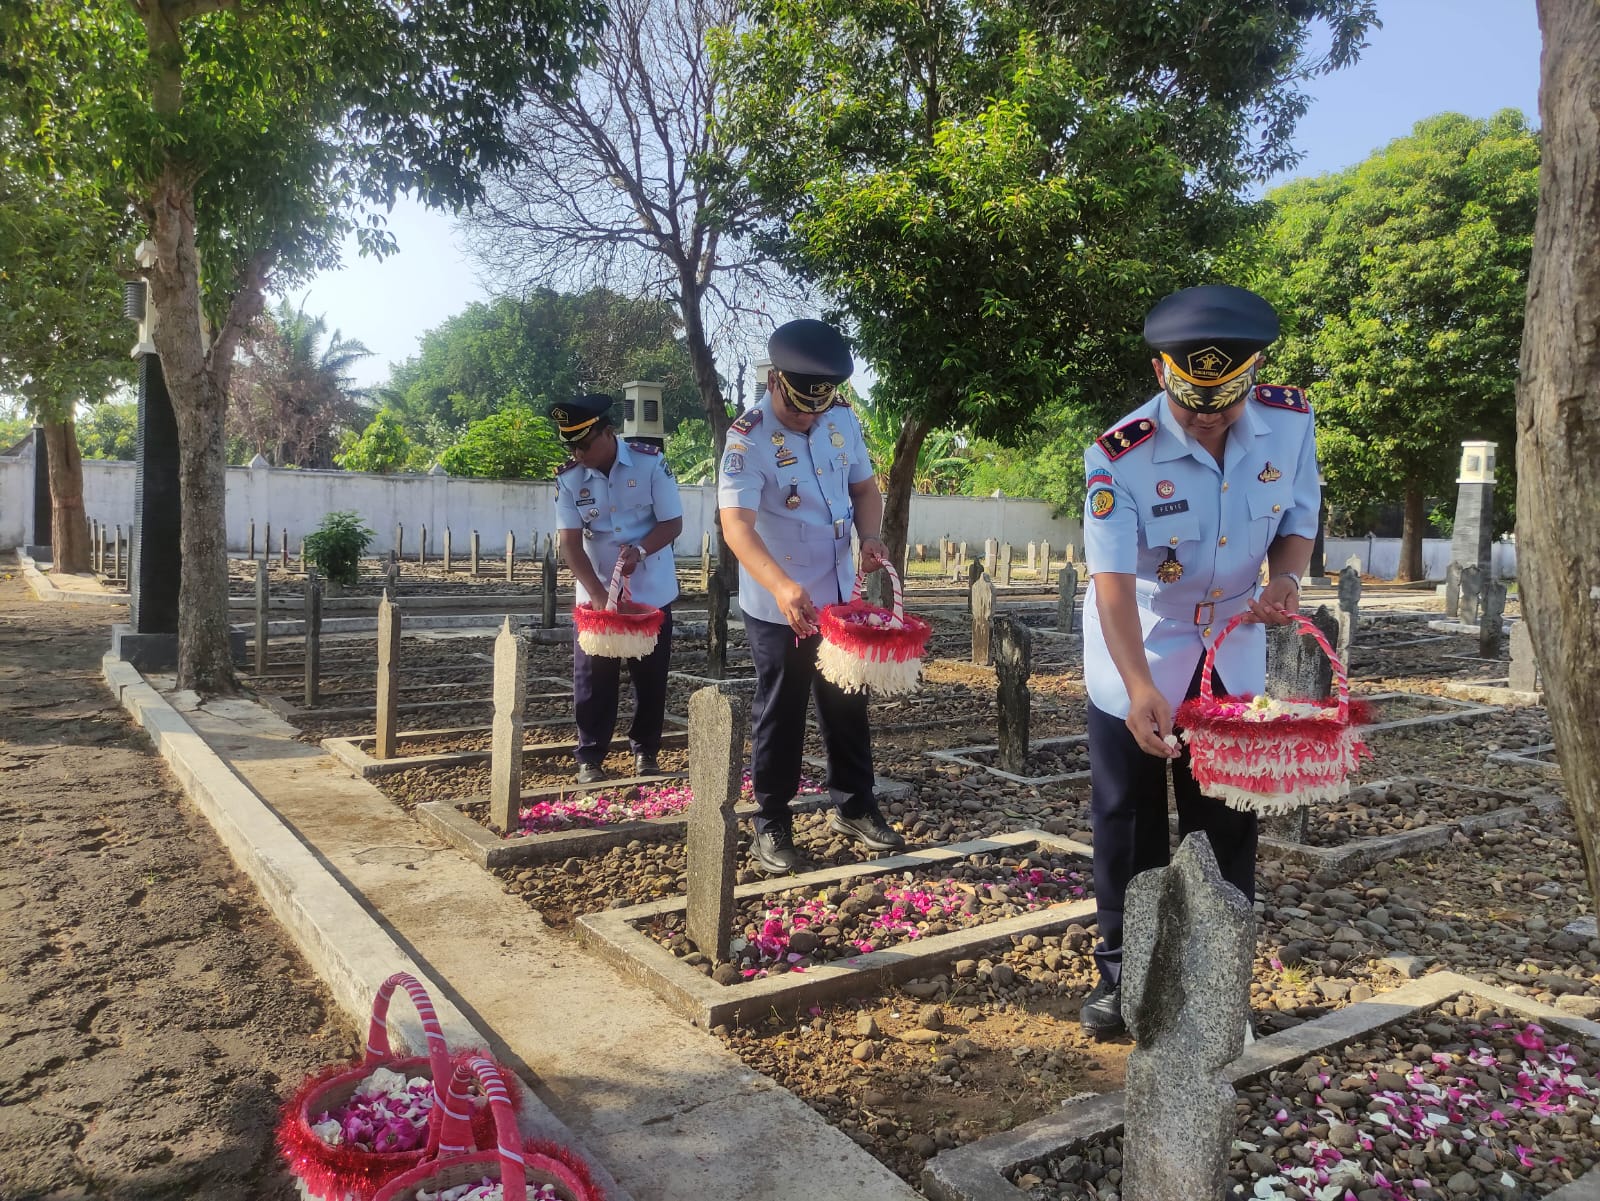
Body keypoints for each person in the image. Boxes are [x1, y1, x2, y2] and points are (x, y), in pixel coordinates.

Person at [1078, 284, 1320, 1037]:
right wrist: (1138, 687)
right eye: (1191, 404)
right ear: (1162, 374)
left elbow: (1299, 518)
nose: (1208, 418)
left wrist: (1285, 579)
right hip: (1141, 640)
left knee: (1225, 818)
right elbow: (1113, 585)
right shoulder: (1118, 455)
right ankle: (1127, 972)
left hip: (1235, 640)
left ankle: (1217, 983)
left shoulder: (1290, 422)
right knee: (1130, 813)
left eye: (1224, 402)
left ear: (1254, 375)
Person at [718, 319, 907, 875]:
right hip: (780, 599)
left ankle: (855, 804)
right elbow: (736, 526)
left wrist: (870, 537)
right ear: (775, 382)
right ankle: (772, 819)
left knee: (847, 700)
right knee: (781, 708)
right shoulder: (746, 438)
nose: (809, 417)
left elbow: (865, 489)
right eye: (799, 406)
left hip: (837, 592)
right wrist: (781, 585)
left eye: (817, 407)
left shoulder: (839, 418)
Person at [551, 393, 684, 784]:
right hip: (595, 589)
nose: (578, 454)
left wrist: (640, 551)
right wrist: (596, 593)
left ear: (608, 433)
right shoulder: (569, 478)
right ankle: (590, 755)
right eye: (572, 447)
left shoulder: (650, 463)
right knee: (593, 676)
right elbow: (569, 543)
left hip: (649, 587)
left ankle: (646, 750)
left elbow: (672, 522)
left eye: (584, 444)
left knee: (650, 675)